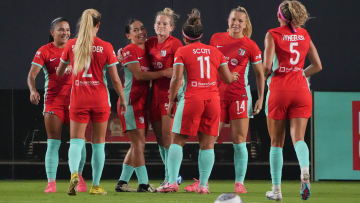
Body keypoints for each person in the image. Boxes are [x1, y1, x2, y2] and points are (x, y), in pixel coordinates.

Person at [157, 8, 239, 194]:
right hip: (212, 100)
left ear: (185, 37)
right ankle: (203, 185)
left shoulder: (182, 51)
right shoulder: (215, 52)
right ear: (201, 36)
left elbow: (177, 79)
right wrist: (233, 77)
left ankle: (171, 182)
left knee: (177, 141)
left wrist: (171, 101)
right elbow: (226, 78)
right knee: (207, 144)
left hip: (192, 98)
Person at [57, 8, 127, 195]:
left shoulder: (72, 45)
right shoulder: (105, 46)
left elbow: (59, 71)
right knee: (98, 144)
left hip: (79, 98)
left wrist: (69, 68)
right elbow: (115, 80)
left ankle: (74, 174)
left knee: (76, 141)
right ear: (98, 25)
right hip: (99, 100)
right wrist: (122, 97)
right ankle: (95, 185)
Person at [263, 1, 322, 201]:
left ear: (280, 16)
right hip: (301, 89)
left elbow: (267, 67)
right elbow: (318, 66)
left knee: (276, 142)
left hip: (279, 90)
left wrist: (262, 72)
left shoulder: (273, 34)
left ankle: (277, 191)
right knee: (299, 138)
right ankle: (304, 169)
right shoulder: (304, 34)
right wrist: (300, 74)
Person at [203, 6, 264, 194]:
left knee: (239, 141)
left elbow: (260, 74)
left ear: (245, 24)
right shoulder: (216, 39)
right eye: (233, 19)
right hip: (217, 97)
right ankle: (203, 183)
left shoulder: (251, 45)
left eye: (240, 21)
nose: (236, 23)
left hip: (239, 97)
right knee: (209, 140)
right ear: (228, 21)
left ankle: (239, 183)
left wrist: (261, 98)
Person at [27, 17, 87, 193]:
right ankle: (51, 183)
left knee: (79, 142)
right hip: (54, 101)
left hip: (76, 100)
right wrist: (32, 90)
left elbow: (89, 70)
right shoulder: (44, 51)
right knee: (53, 143)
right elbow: (32, 75)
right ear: (52, 32)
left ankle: (79, 178)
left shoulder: (77, 48)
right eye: (61, 29)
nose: (65, 33)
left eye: (68, 30)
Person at [115, 19, 172, 193]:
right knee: (139, 144)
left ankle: (122, 182)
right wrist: (163, 73)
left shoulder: (147, 49)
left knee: (137, 145)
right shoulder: (129, 50)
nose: (141, 32)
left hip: (141, 104)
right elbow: (139, 76)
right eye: (135, 30)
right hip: (129, 103)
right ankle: (143, 183)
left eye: (142, 28)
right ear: (128, 35)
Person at [146, 7, 183, 189]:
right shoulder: (150, 43)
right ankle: (170, 174)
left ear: (171, 27)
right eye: (159, 23)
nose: (161, 26)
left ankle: (171, 178)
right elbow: (137, 55)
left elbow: (181, 70)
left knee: (168, 137)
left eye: (165, 24)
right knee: (159, 138)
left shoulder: (176, 44)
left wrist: (176, 83)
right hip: (154, 95)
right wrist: (122, 53)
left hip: (169, 94)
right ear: (154, 26)